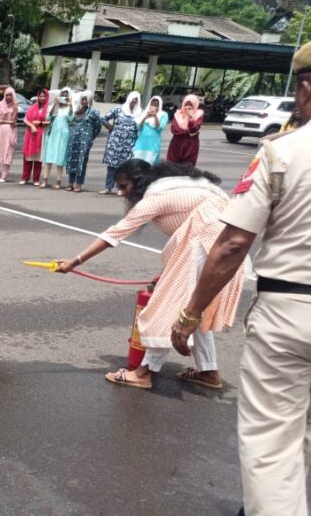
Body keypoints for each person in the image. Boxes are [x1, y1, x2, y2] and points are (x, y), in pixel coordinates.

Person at [170, 37, 311, 516]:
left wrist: (189, 314)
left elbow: (233, 242)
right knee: (306, 431)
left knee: (270, 437)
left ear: (306, 87)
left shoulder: (284, 153)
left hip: (292, 314)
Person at [55, 159, 244, 390]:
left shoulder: (155, 197)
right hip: (229, 244)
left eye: (124, 187)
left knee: (169, 304)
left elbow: (114, 234)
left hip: (209, 243)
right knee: (194, 308)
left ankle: (144, 373)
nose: (120, 193)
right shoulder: (178, 184)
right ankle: (208, 371)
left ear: (138, 182)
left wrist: (74, 262)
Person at [100, 91, 142, 195]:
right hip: (115, 142)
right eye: (133, 99)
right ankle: (108, 187)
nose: (134, 102)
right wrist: (110, 127)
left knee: (125, 168)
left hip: (130, 143)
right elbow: (104, 118)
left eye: (136, 100)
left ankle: (121, 188)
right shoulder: (119, 109)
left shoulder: (140, 112)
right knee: (111, 166)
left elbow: (143, 126)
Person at [63, 91, 101, 193]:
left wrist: (90, 137)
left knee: (81, 162)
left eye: (86, 100)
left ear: (90, 101)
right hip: (74, 140)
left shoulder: (93, 112)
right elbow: (70, 121)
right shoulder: (77, 112)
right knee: (72, 161)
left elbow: (98, 127)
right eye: (82, 100)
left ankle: (78, 183)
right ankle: (70, 183)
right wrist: (70, 108)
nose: (84, 102)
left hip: (85, 141)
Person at [41, 88, 71, 189]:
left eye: (65, 96)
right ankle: (45, 180)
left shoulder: (69, 108)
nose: (64, 97)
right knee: (49, 156)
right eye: (62, 95)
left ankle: (58, 181)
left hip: (63, 135)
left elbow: (71, 119)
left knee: (60, 158)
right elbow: (47, 117)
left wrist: (70, 105)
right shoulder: (54, 107)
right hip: (53, 134)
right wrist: (55, 104)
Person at [20, 89, 50, 185]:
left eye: (44, 96)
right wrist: (32, 126)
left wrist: (40, 123)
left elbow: (51, 122)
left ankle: (36, 179)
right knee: (28, 157)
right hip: (31, 134)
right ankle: (25, 178)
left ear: (47, 97)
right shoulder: (32, 107)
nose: (42, 98)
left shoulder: (49, 109)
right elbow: (25, 119)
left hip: (41, 134)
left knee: (38, 159)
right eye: (40, 96)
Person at [166, 94, 204, 165]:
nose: (187, 108)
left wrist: (191, 118)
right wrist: (187, 132)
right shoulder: (178, 115)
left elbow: (194, 129)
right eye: (186, 105)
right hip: (177, 144)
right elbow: (174, 129)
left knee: (188, 166)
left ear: (195, 106)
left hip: (191, 145)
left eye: (191, 106)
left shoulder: (198, 115)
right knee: (172, 165)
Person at [0, 87, 18, 182]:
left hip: (9, 130)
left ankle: (4, 176)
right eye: (7, 94)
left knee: (7, 151)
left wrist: (16, 108)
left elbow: (14, 120)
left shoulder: (14, 106)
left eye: (10, 95)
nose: (8, 97)